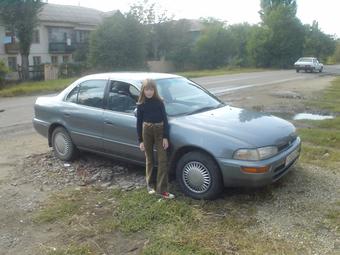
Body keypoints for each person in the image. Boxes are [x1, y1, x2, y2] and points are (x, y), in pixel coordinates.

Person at [136, 79, 175, 199]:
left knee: (162, 160)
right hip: (146, 130)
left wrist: (165, 137)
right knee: (149, 159)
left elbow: (165, 120)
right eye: (147, 89)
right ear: (143, 90)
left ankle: (162, 190)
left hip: (159, 130)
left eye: (151, 89)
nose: (149, 92)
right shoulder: (141, 104)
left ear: (154, 90)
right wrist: (140, 140)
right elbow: (138, 123)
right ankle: (150, 186)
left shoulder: (159, 102)